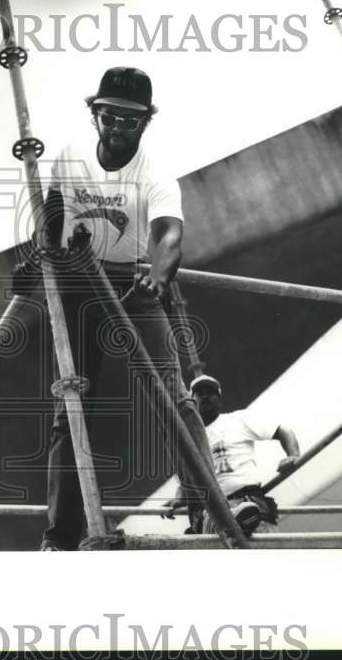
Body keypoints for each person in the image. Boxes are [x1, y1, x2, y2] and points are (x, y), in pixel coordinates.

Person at [34, 66, 219, 551]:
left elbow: (169, 235)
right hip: (79, 283)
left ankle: (207, 506)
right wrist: (43, 256)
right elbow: (51, 217)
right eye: (110, 117)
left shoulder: (155, 173)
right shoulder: (70, 158)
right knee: (71, 403)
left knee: (172, 394)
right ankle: (61, 533)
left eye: (130, 121)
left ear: (145, 123)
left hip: (135, 282)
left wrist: (158, 275)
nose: (118, 128)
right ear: (95, 114)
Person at [165, 377, 301, 535]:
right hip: (211, 512)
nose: (205, 396)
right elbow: (185, 480)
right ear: (191, 401)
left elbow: (282, 430)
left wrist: (293, 454)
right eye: (199, 393)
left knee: (267, 555)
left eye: (211, 392)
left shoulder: (237, 420)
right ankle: (214, 523)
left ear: (219, 399)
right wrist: (179, 499)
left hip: (248, 504)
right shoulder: (188, 440)